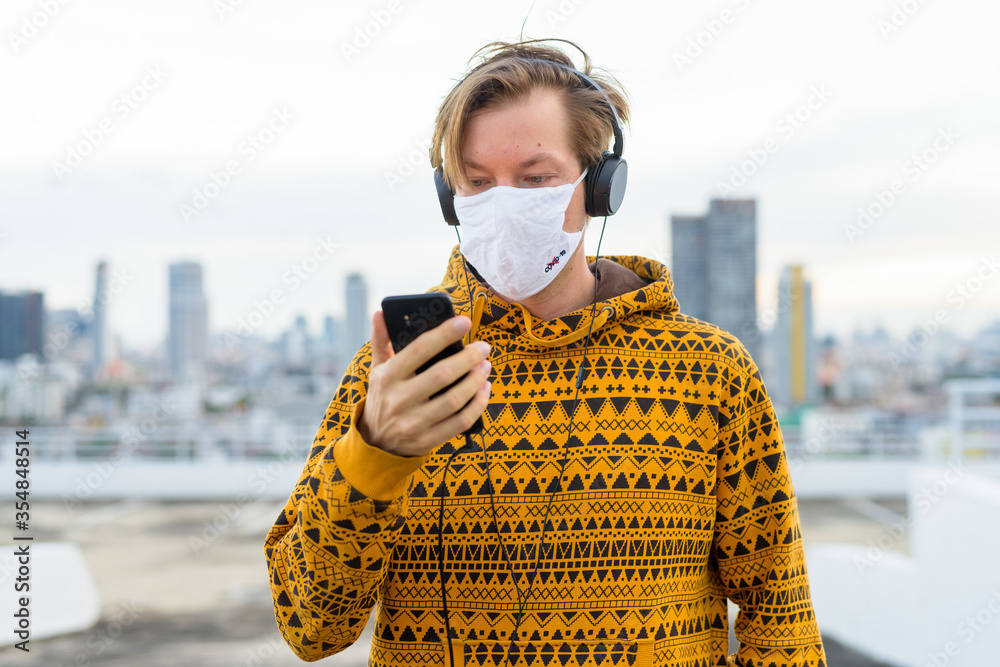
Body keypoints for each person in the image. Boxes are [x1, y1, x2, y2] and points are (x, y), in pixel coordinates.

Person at [265, 38, 828, 667]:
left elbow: (780, 619)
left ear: (600, 188)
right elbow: (310, 629)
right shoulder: (397, 372)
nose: (503, 204)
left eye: (535, 179)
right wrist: (374, 454)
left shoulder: (709, 373)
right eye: (477, 183)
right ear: (450, 198)